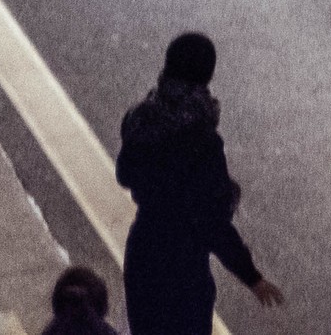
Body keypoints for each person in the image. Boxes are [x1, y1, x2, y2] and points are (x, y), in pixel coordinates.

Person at [116, 33, 280, 333]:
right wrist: (251, 276)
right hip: (182, 265)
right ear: (208, 75)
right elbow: (210, 221)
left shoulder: (140, 118)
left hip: (143, 252)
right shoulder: (202, 140)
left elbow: (124, 174)